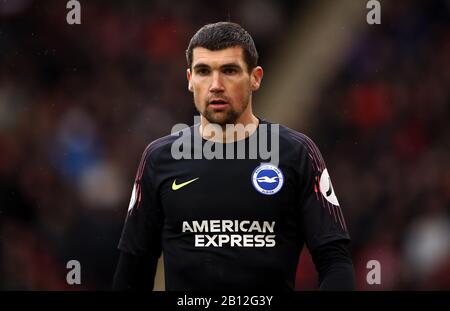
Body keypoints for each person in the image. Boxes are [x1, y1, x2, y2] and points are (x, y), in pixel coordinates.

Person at [113, 22, 355, 291]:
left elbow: (335, 262)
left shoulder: (298, 153)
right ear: (190, 80)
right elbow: (133, 270)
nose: (216, 85)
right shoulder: (159, 159)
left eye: (229, 71)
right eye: (204, 72)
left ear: (256, 77)